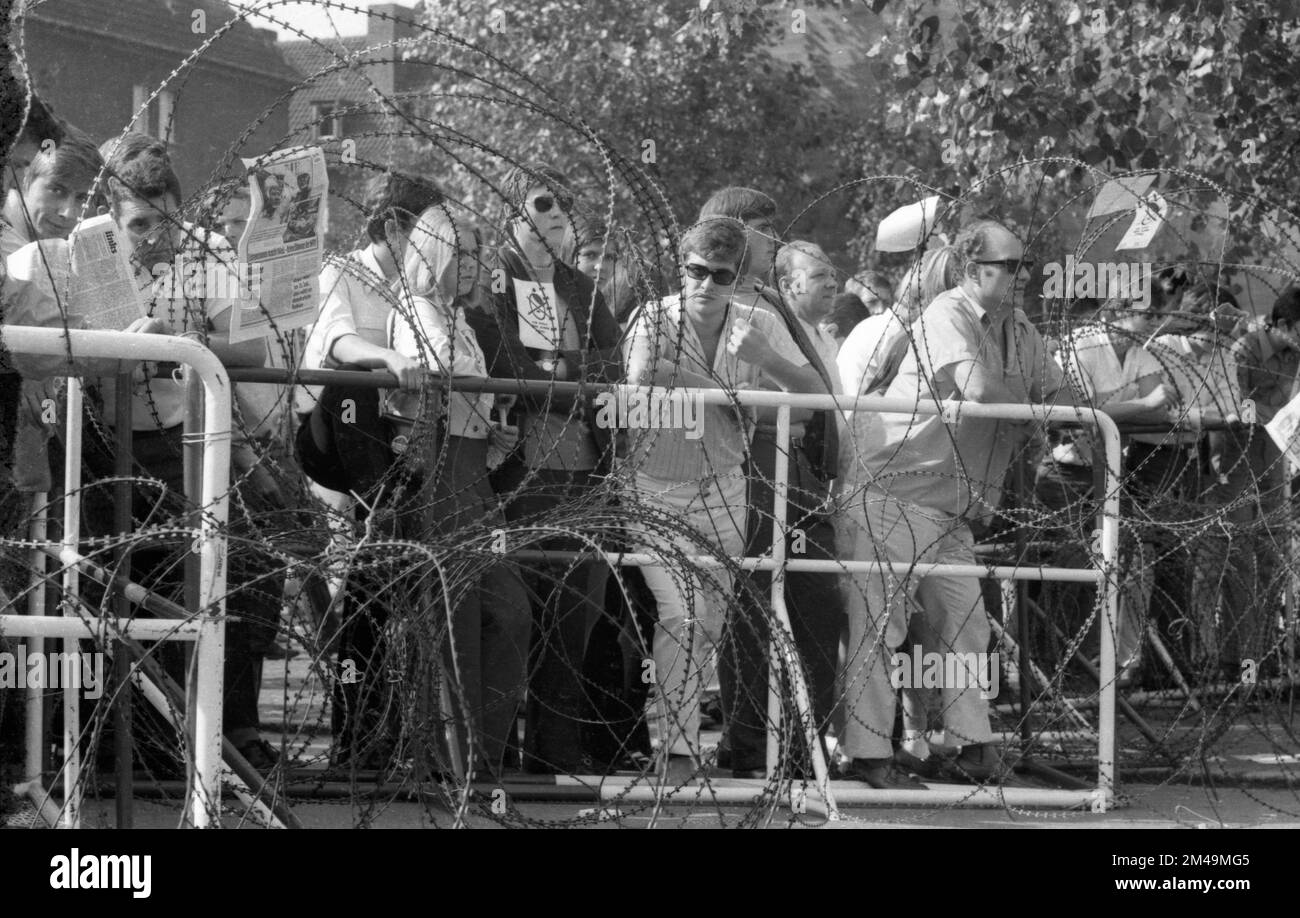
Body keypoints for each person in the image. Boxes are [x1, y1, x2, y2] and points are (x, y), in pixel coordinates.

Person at [840, 218, 1068, 787]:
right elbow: (982, 391)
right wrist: (1036, 404)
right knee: (879, 630)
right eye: (1008, 265)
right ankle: (868, 755)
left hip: (951, 511)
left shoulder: (1019, 326)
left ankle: (973, 746)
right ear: (971, 270)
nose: (1023, 275)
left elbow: (1061, 394)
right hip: (891, 496)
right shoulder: (948, 313)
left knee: (967, 628)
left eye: (1025, 264)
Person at [87, 132, 275, 768]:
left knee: (241, 573)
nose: (153, 238)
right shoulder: (93, 253)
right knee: (131, 586)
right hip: (105, 444)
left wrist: (180, 342)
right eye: (138, 224)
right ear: (115, 215)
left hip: (192, 435)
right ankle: (148, 738)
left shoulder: (210, 251)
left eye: (164, 220)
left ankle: (237, 731)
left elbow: (252, 352)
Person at [623, 216, 814, 780]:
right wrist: (734, 395)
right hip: (654, 490)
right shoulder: (652, 317)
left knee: (706, 623)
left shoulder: (756, 325)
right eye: (695, 271)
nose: (704, 285)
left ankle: (683, 741)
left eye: (719, 275)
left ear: (738, 279)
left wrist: (769, 361)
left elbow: (814, 401)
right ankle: (677, 752)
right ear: (682, 270)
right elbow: (640, 383)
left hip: (725, 489)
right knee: (680, 614)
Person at [474, 163, 622, 774]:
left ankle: (554, 754)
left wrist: (561, 377)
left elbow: (613, 368)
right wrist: (566, 378)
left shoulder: (580, 289)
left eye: (562, 214)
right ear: (513, 218)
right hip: (518, 472)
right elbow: (506, 362)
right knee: (515, 613)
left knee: (575, 616)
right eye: (542, 213)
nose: (554, 225)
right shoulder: (490, 283)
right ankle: (496, 752)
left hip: (583, 473)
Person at [292, 171, 443, 768]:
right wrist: (390, 357)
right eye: (428, 234)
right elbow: (339, 344)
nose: (437, 248)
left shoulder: (417, 286)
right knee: (365, 575)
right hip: (336, 437)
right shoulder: (343, 271)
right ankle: (358, 739)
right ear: (393, 227)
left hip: (389, 445)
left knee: (379, 589)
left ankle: (378, 736)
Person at [696, 187, 837, 777]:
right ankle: (752, 747)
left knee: (815, 611)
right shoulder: (711, 303)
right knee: (753, 611)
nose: (773, 242)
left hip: (799, 470)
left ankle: (805, 749)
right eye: (761, 228)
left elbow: (818, 394)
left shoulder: (772, 302)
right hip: (751, 467)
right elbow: (774, 395)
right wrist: (780, 374)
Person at [389, 203, 531, 778]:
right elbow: (443, 372)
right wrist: (485, 397)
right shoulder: (417, 308)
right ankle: (452, 762)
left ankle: (480, 756)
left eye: (478, 252)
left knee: (508, 611)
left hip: (473, 473)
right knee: (456, 617)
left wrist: (496, 433)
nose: (473, 264)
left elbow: (467, 393)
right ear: (433, 253)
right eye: (461, 251)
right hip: (440, 477)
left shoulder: (463, 319)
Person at [1032, 290, 1181, 687]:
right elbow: (1077, 412)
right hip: (1066, 474)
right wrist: (1141, 404)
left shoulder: (1139, 351)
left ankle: (1089, 668)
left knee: (1111, 565)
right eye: (1146, 313)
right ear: (1116, 313)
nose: (1153, 321)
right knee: (1067, 573)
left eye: (1156, 314)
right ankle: (1052, 672)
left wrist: (1124, 408)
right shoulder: (1083, 344)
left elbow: (1160, 402)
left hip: (1107, 472)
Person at [1135, 282, 1242, 671]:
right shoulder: (1159, 351)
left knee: (1183, 559)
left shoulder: (1223, 353)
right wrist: (1210, 417)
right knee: (1151, 558)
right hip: (1152, 456)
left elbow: (1234, 410)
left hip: (1190, 458)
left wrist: (1207, 418)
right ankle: (1153, 664)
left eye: (1219, 338)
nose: (1212, 346)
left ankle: (1179, 662)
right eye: (1207, 336)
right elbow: (1165, 415)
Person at [1213, 286, 1300, 680]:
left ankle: (1263, 658)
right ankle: (1236, 662)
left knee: (1270, 558)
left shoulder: (1293, 355)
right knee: (1238, 558)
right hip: (1236, 460)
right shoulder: (1243, 350)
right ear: (1281, 324)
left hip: (1274, 459)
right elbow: (1235, 407)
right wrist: (1279, 413)